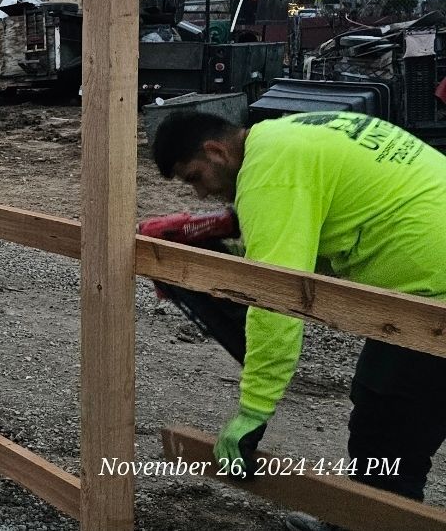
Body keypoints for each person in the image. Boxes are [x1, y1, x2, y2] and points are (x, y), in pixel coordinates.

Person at [151, 110, 446, 531]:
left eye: (195, 177)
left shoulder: (269, 172)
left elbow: (275, 298)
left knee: (390, 423)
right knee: (385, 405)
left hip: (434, 300)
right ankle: (359, 518)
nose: (199, 194)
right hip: (425, 289)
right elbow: (320, 229)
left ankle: (376, 519)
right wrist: (227, 231)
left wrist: (253, 411)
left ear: (215, 151)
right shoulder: (282, 135)